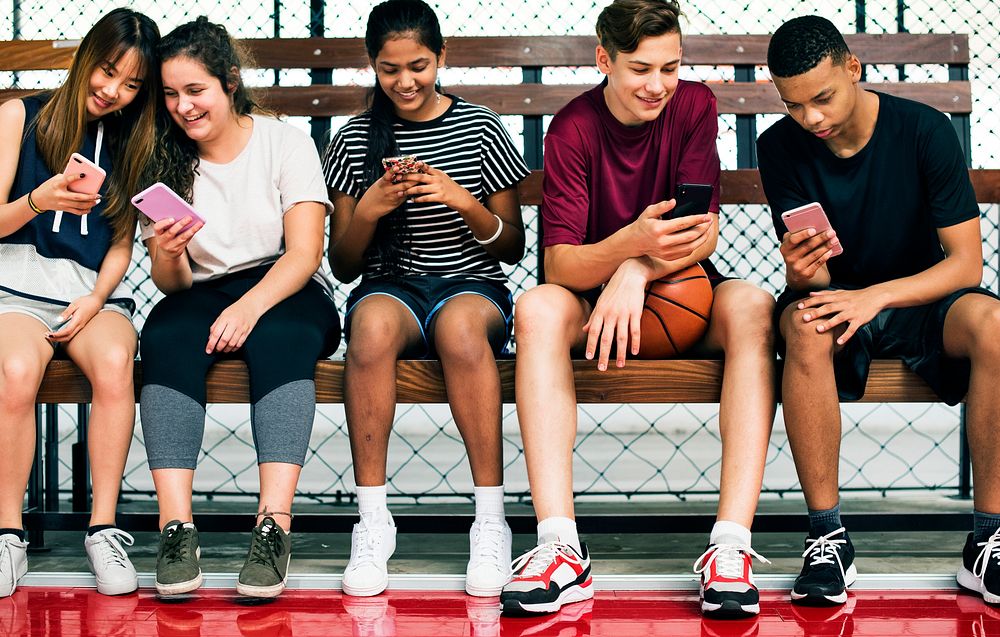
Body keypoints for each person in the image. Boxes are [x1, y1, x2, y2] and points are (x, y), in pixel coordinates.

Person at [501, 0, 776, 618]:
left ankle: (730, 547)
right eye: (641, 69)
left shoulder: (695, 105)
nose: (658, 85)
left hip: (681, 293)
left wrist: (640, 267)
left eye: (670, 68)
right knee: (539, 308)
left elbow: (702, 231)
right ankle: (560, 548)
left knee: (755, 306)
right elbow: (562, 266)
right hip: (593, 306)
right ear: (604, 60)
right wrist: (627, 247)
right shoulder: (572, 128)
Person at [758, 15, 1000, 607]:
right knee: (805, 325)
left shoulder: (925, 129)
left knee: (995, 326)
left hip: (922, 298)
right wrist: (800, 271)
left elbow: (966, 265)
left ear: (853, 69)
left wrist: (879, 296)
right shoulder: (778, 147)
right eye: (794, 105)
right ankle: (828, 539)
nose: (811, 117)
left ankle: (989, 541)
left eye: (822, 98)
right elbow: (814, 281)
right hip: (837, 300)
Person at [322, 0, 529, 598]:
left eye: (419, 65)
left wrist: (460, 199)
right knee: (369, 331)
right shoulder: (355, 138)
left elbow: (512, 247)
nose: (406, 81)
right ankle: (372, 523)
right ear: (372, 66)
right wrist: (370, 210)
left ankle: (490, 522)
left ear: (441, 58)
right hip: (391, 285)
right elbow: (343, 264)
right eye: (390, 69)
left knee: (461, 333)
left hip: (472, 284)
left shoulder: (482, 127)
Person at [139, 17, 341, 598]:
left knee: (282, 340)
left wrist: (250, 309)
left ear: (230, 83)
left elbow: (305, 252)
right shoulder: (165, 157)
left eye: (195, 90)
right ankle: (175, 529)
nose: (182, 106)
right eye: (171, 94)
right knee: (165, 336)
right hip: (203, 290)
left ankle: (272, 528)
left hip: (284, 284)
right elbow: (174, 285)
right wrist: (168, 254)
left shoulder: (284, 139)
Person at [0, 8, 160, 598]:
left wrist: (97, 297)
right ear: (87, 55)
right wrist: (40, 200)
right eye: (107, 71)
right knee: (16, 371)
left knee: (116, 365)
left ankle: (104, 529)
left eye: (131, 84)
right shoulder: (20, 115)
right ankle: (7, 535)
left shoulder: (131, 137)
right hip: (15, 286)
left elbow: (121, 242)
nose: (113, 91)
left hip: (91, 292)